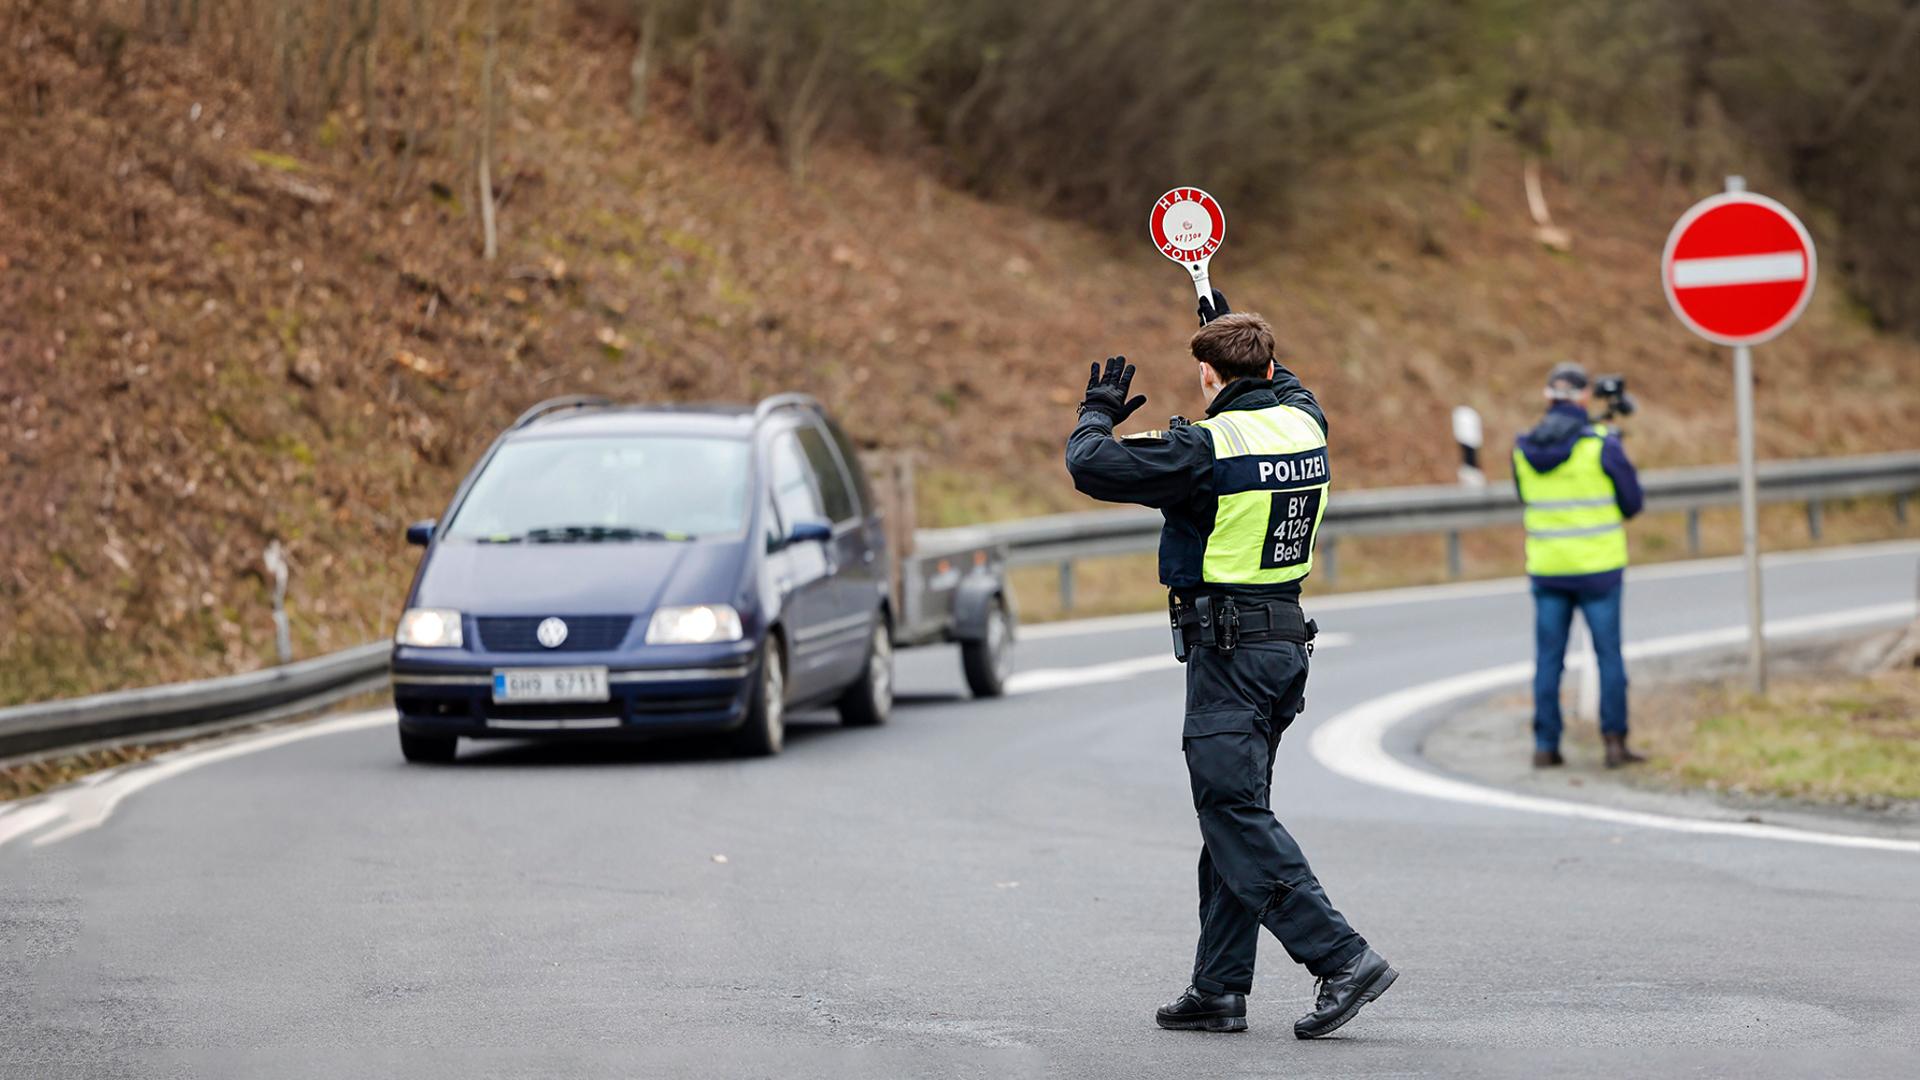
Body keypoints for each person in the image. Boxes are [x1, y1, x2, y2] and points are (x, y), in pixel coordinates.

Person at [1065, 291, 1396, 1040]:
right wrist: (1226, 321)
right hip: (1283, 647)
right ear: (1270, 366)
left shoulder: (1203, 449)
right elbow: (1285, 379)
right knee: (1235, 811)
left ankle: (1342, 957)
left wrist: (1097, 411)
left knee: (1232, 813)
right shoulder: (1305, 422)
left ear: (1208, 377)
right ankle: (1218, 988)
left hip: (1229, 653)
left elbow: (1090, 464)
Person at [1512, 361, 1646, 769]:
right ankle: (1614, 744)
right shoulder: (1601, 444)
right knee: (1608, 657)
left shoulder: (1523, 447)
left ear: (1548, 396)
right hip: (1599, 570)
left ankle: (1545, 746)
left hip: (1548, 568)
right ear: (1585, 397)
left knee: (1548, 660)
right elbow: (1632, 503)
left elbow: (1525, 497)